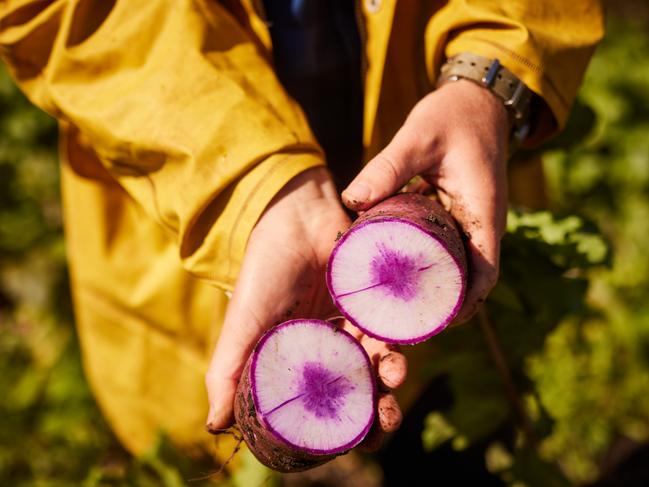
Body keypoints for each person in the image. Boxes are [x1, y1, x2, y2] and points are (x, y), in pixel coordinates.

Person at [0, 0, 604, 475]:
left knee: (446, 438)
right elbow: (70, 15)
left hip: (434, 151)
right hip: (185, 177)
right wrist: (258, 187)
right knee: (189, 431)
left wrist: (486, 76)